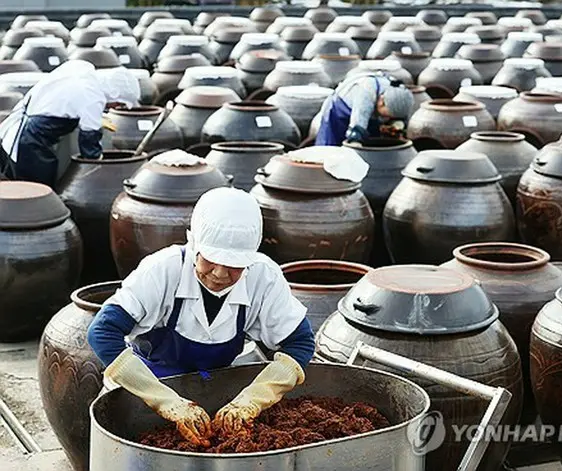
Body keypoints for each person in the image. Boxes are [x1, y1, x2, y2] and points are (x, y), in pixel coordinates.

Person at [87, 187, 315, 446]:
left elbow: (301, 343)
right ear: (193, 243)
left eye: (233, 265)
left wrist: (253, 399)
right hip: (143, 388)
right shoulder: (163, 270)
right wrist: (166, 402)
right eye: (210, 259)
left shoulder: (263, 278)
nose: (219, 273)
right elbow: (102, 332)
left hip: (211, 391)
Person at [0, 60, 140, 187]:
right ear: (115, 93)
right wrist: (101, 170)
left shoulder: (82, 69)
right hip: (28, 141)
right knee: (37, 191)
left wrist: (97, 117)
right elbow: (90, 150)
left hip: (19, 129)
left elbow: (66, 102)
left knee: (21, 186)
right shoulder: (92, 96)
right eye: (118, 103)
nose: (114, 106)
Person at [315, 72, 414, 146]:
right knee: (330, 148)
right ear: (381, 102)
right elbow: (358, 124)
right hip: (339, 111)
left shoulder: (399, 92)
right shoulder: (366, 92)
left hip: (370, 114)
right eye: (386, 116)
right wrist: (355, 142)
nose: (386, 119)